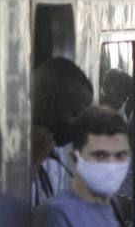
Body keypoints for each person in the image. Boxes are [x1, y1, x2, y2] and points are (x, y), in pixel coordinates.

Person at [31, 57, 94, 207]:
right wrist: (33, 161)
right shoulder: (7, 150)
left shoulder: (59, 154)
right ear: (47, 102)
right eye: (74, 114)